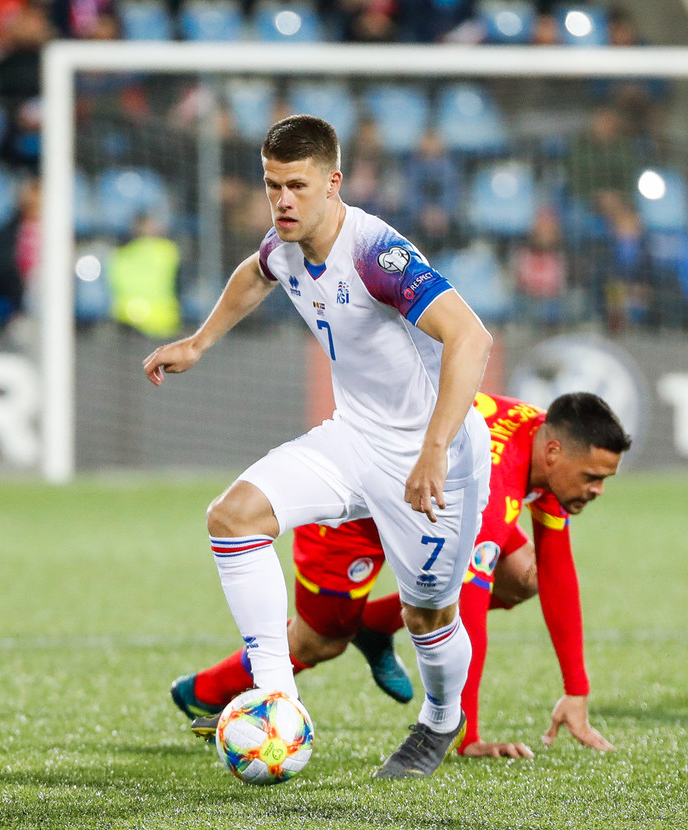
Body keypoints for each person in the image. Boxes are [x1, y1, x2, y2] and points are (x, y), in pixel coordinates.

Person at [143, 114, 493, 779]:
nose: (282, 201)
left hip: (434, 458)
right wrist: (198, 342)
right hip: (353, 438)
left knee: (428, 615)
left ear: (333, 184)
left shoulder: (376, 254)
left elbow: (471, 338)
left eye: (297, 186)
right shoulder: (287, 241)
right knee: (233, 518)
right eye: (272, 185)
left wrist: (434, 447)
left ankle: (441, 719)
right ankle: (277, 696)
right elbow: (256, 272)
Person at [172, 390, 632, 759]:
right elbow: (465, 608)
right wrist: (466, 733)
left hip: (423, 507)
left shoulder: (545, 446)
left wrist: (576, 690)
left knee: (524, 574)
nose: (598, 489)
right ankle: (203, 691)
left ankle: (376, 625)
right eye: (592, 477)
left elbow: (555, 572)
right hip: (354, 517)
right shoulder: (497, 475)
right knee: (323, 639)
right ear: (553, 452)